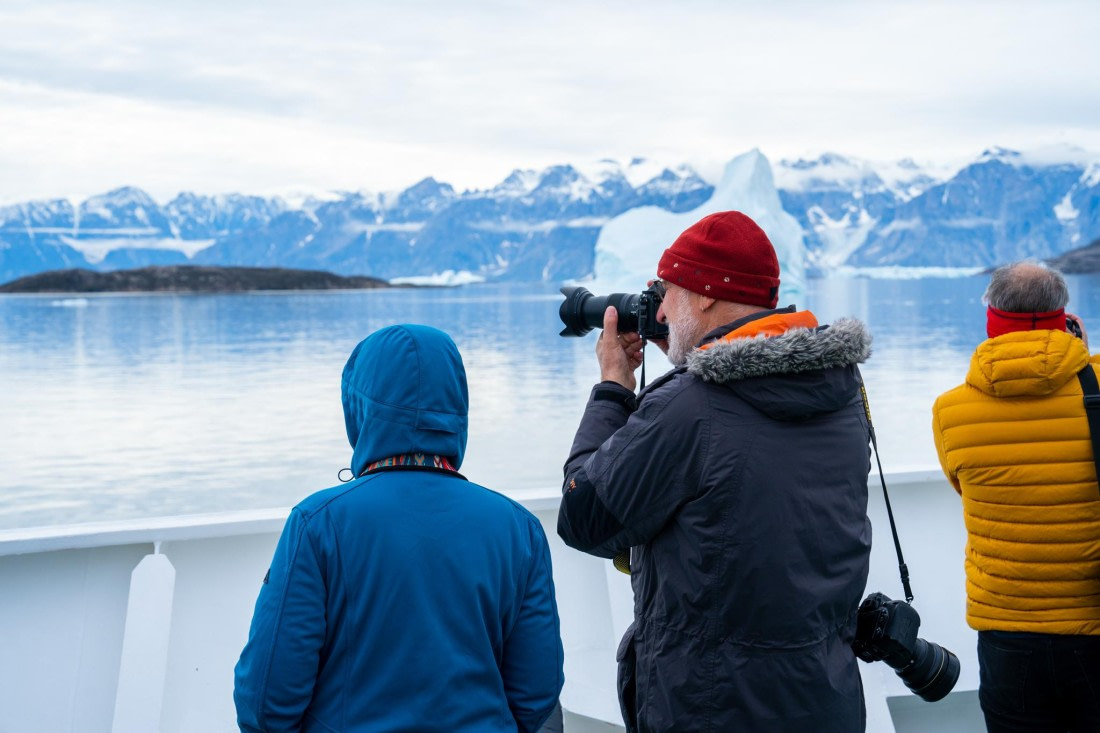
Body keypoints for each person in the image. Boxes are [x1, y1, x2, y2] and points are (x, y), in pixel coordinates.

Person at [557, 210, 874, 732]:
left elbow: (585, 515)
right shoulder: (840, 391)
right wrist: (689, 364)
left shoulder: (691, 407)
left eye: (669, 292)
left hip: (712, 707)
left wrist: (615, 385)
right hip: (822, 699)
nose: (661, 313)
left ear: (704, 297)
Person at [234, 324, 564, 733]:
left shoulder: (318, 523)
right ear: (457, 407)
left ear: (359, 406)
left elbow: (267, 701)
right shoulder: (519, 529)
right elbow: (537, 692)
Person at [931, 261, 1100, 733]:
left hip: (1007, 630)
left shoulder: (950, 410)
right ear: (1063, 317)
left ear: (991, 319)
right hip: (1093, 620)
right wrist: (1081, 358)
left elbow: (962, 484)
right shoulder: (1096, 385)